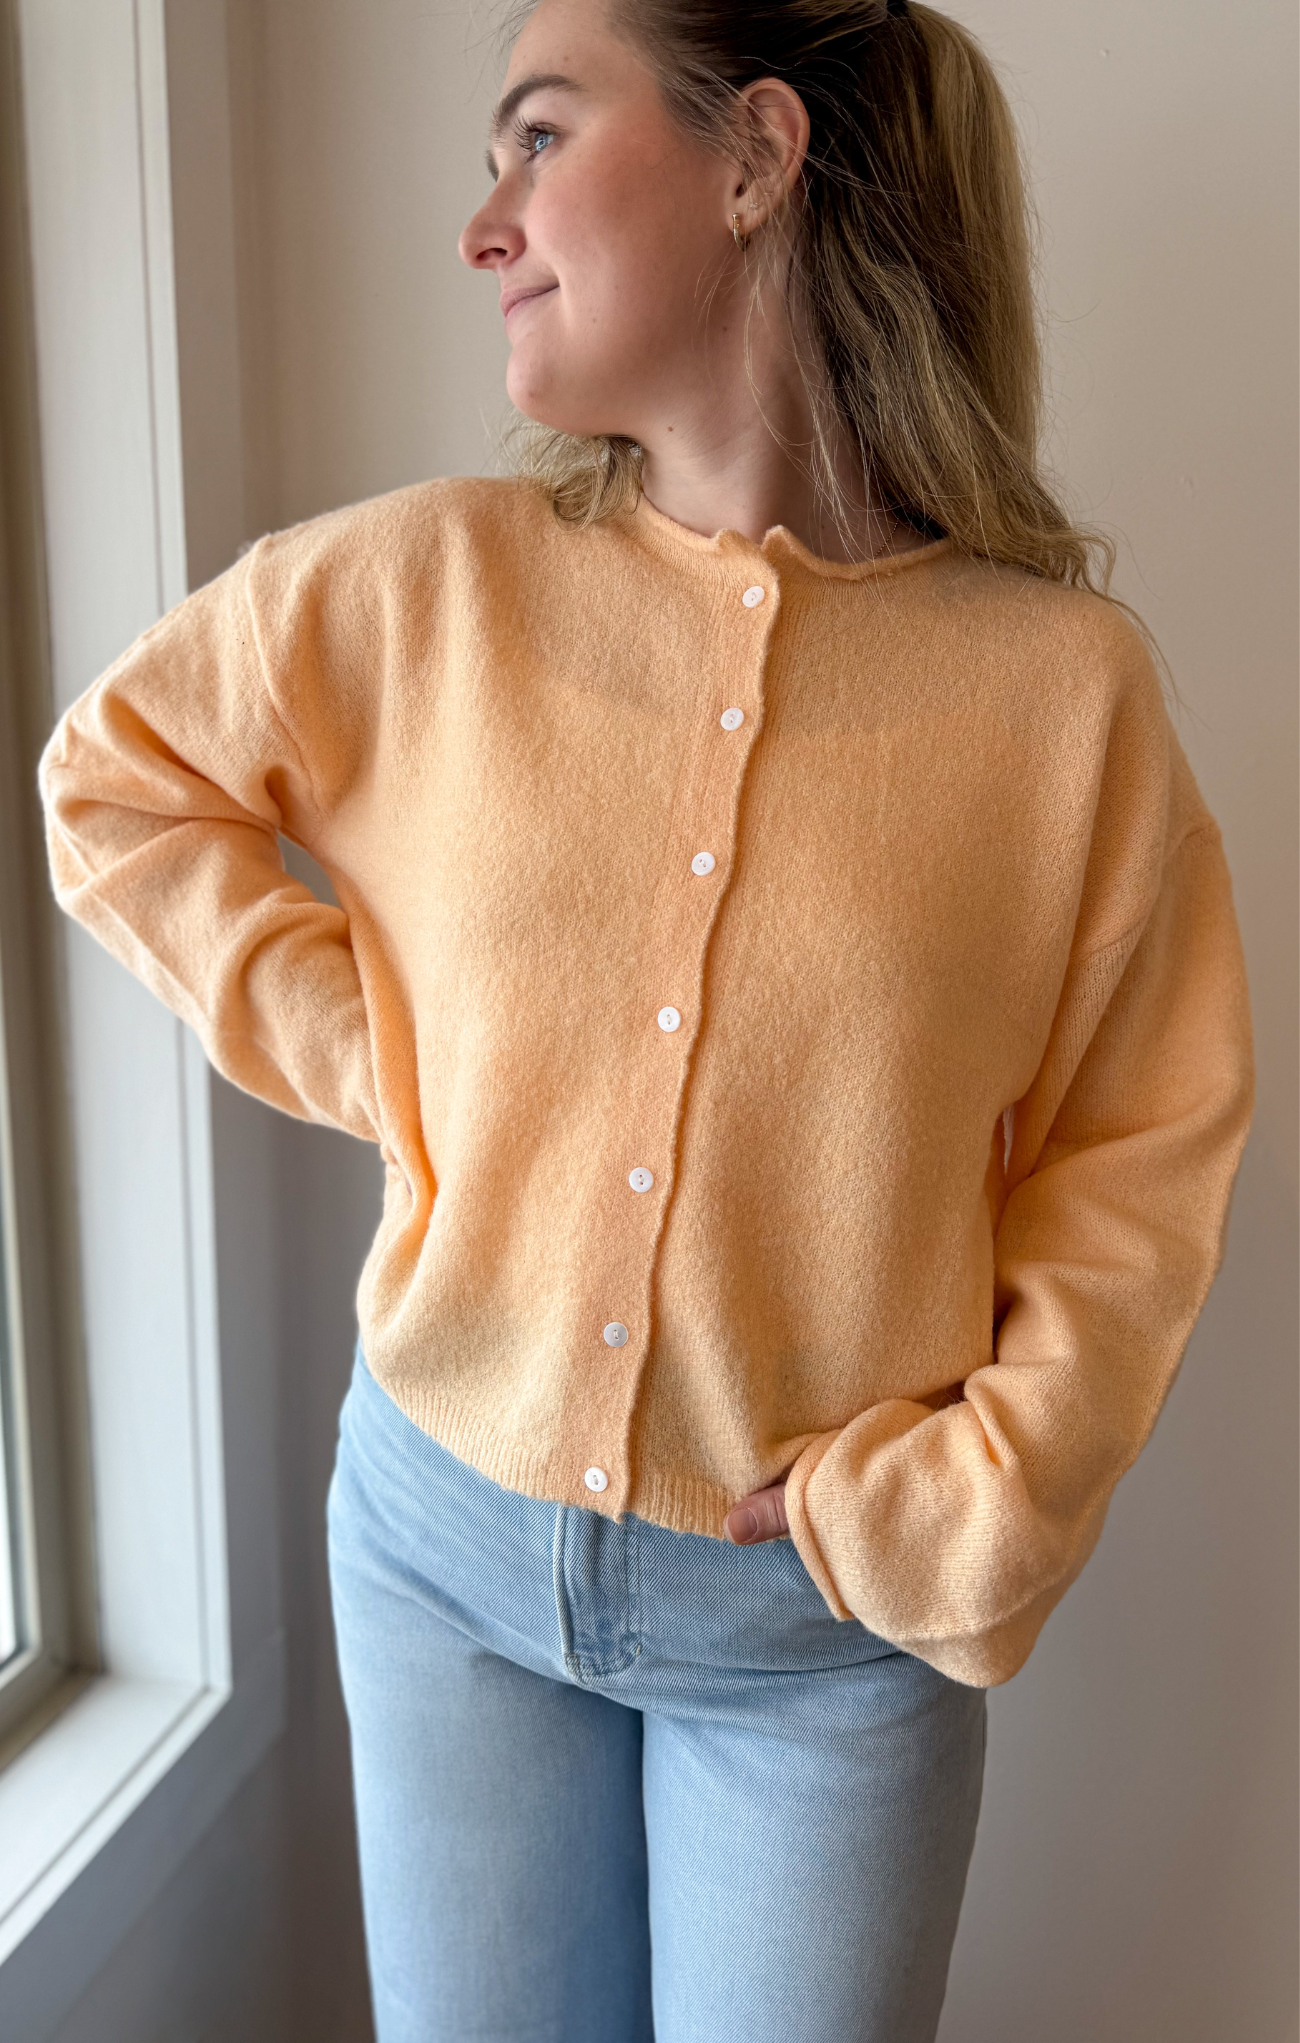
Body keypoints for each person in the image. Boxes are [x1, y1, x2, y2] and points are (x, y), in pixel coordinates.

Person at [36, 0, 1255, 2037]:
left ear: (753, 156)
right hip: (434, 1552)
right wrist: (389, 1061)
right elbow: (116, 785)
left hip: (817, 1640)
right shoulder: (431, 586)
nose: (481, 224)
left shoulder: (1063, 702)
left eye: (537, 136)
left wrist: (976, 1506)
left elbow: (1143, 1149)